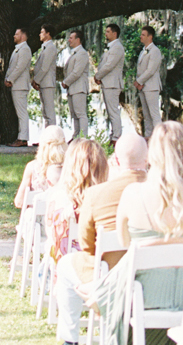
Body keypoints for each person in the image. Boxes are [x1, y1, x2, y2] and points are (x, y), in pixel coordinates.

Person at [92, 122, 183, 345]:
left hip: (144, 306)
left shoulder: (133, 194)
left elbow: (124, 242)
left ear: (151, 155)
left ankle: (97, 296)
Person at [54, 131, 148, 345]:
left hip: (107, 275)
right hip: (147, 275)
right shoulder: (162, 191)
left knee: (66, 265)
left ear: (115, 160)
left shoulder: (96, 194)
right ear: (148, 159)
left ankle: (70, 339)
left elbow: (86, 244)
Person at [46, 138, 108, 265]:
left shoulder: (58, 198)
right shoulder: (108, 202)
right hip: (102, 271)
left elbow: (54, 244)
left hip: (64, 271)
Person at [14, 124, 67, 208]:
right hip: (62, 218)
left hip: (37, 219)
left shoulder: (32, 167)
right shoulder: (71, 167)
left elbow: (19, 202)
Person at [94, 23, 124, 144]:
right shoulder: (111, 47)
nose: (105, 34)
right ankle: (113, 135)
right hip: (107, 83)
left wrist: (98, 76)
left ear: (114, 33)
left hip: (112, 84)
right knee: (111, 111)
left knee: (113, 111)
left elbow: (109, 65)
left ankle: (116, 137)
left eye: (107, 31)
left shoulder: (117, 47)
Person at [5, 27, 32, 147]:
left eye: (16, 34)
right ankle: (21, 137)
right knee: (19, 112)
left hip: (20, 85)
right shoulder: (18, 49)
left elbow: (20, 67)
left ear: (22, 36)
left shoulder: (25, 49)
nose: (14, 36)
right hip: (16, 85)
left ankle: (23, 138)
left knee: (22, 112)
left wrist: (10, 79)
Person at [133, 25, 162, 139]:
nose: (141, 36)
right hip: (143, 87)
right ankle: (149, 138)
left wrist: (138, 81)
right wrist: (139, 83)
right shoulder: (143, 51)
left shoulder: (155, 51)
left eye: (143, 35)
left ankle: (160, 138)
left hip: (151, 87)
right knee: (146, 115)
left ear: (150, 37)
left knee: (154, 114)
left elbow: (151, 70)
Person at [62, 30, 89, 139]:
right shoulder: (74, 53)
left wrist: (66, 82)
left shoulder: (82, 53)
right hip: (72, 88)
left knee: (80, 114)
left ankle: (83, 137)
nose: (69, 40)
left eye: (71, 38)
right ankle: (76, 135)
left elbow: (77, 72)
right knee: (74, 115)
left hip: (79, 87)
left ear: (78, 40)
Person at [32, 23, 57, 129]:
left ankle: (52, 137)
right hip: (43, 83)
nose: (39, 34)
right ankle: (47, 136)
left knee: (49, 111)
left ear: (48, 34)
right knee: (45, 112)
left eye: (42, 32)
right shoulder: (45, 48)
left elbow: (44, 67)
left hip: (47, 83)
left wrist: (36, 80)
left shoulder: (50, 47)